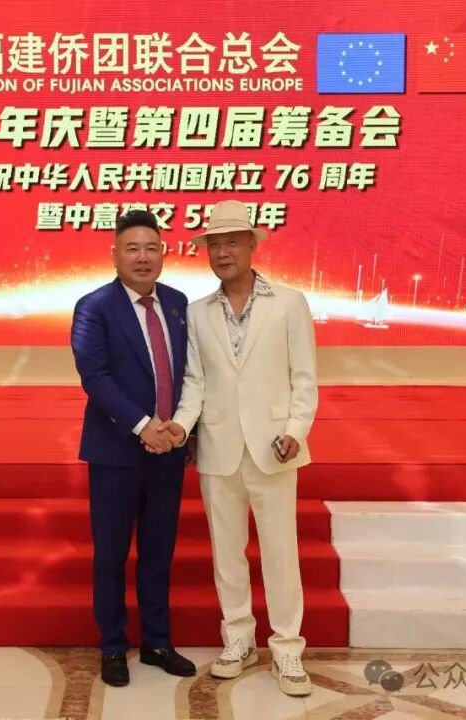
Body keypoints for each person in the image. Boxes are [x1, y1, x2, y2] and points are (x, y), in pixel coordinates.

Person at [158, 199, 318, 696]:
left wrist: (296, 429)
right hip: (218, 446)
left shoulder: (289, 303)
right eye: (215, 245)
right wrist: (181, 427)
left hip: (275, 448)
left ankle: (287, 649)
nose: (223, 252)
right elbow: (194, 382)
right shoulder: (197, 312)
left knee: (280, 553)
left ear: (252, 245)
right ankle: (239, 641)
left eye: (232, 242)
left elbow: (304, 378)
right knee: (227, 553)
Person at [70, 209, 197, 687]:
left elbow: (188, 372)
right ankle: (113, 646)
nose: (143, 258)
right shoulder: (94, 306)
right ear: (115, 255)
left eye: (151, 248)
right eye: (132, 249)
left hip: (169, 452)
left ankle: (158, 642)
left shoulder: (178, 303)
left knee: (159, 552)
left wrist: (180, 429)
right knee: (111, 555)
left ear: (163, 253)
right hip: (116, 453)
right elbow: (95, 376)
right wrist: (143, 426)